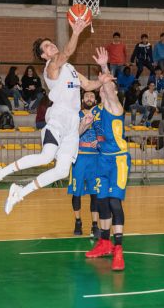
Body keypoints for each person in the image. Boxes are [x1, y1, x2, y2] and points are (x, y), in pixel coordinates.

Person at [0, 19, 111, 214]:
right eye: (46, 47)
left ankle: (19, 192)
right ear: (44, 56)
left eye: (50, 43)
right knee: (46, 156)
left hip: (72, 123)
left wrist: (100, 81)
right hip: (59, 117)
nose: (50, 45)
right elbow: (67, 53)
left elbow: (87, 86)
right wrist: (76, 32)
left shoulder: (70, 69)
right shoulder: (51, 67)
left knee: (62, 171)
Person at [85, 48, 131, 271]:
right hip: (102, 160)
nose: (107, 87)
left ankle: (119, 249)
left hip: (118, 160)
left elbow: (110, 90)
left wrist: (104, 68)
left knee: (114, 202)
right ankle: (104, 243)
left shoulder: (115, 106)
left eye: (109, 85)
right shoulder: (96, 110)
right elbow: (80, 128)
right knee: (101, 201)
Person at [68, 91, 100, 238]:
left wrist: (100, 140)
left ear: (96, 99)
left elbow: (108, 133)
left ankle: (95, 225)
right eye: (87, 96)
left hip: (95, 158)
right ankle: (78, 221)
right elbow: (71, 134)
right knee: (76, 192)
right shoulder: (76, 115)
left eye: (92, 96)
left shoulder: (100, 115)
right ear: (82, 99)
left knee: (95, 193)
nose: (89, 98)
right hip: (79, 157)